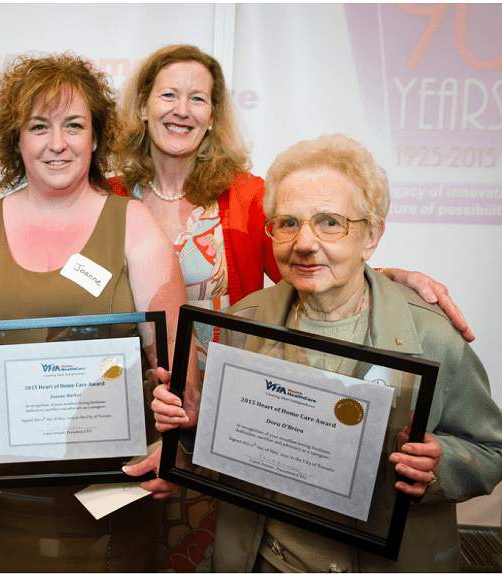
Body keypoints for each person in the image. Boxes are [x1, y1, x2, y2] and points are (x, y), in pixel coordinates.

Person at [0, 43, 474, 571]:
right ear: (141, 106)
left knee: (229, 546)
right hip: (113, 426)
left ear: (213, 113)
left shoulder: (247, 196)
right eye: (168, 93)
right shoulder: (114, 187)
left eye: (198, 97)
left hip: (227, 410)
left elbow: (309, 254)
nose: (181, 108)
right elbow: (23, 251)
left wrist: (388, 275)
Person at [153, 133, 502, 572]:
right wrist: (192, 424)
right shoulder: (243, 323)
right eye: (288, 222)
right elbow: (224, 448)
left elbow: (492, 450)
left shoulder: (429, 334)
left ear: (371, 235)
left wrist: (439, 463)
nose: (304, 242)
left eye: (330, 222)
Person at [0, 53, 189, 571]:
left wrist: (174, 444)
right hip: (8, 487)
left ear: (95, 137)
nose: (57, 143)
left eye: (74, 125)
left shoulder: (132, 223)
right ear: (16, 139)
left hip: (116, 486)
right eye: (39, 127)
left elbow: (175, 349)